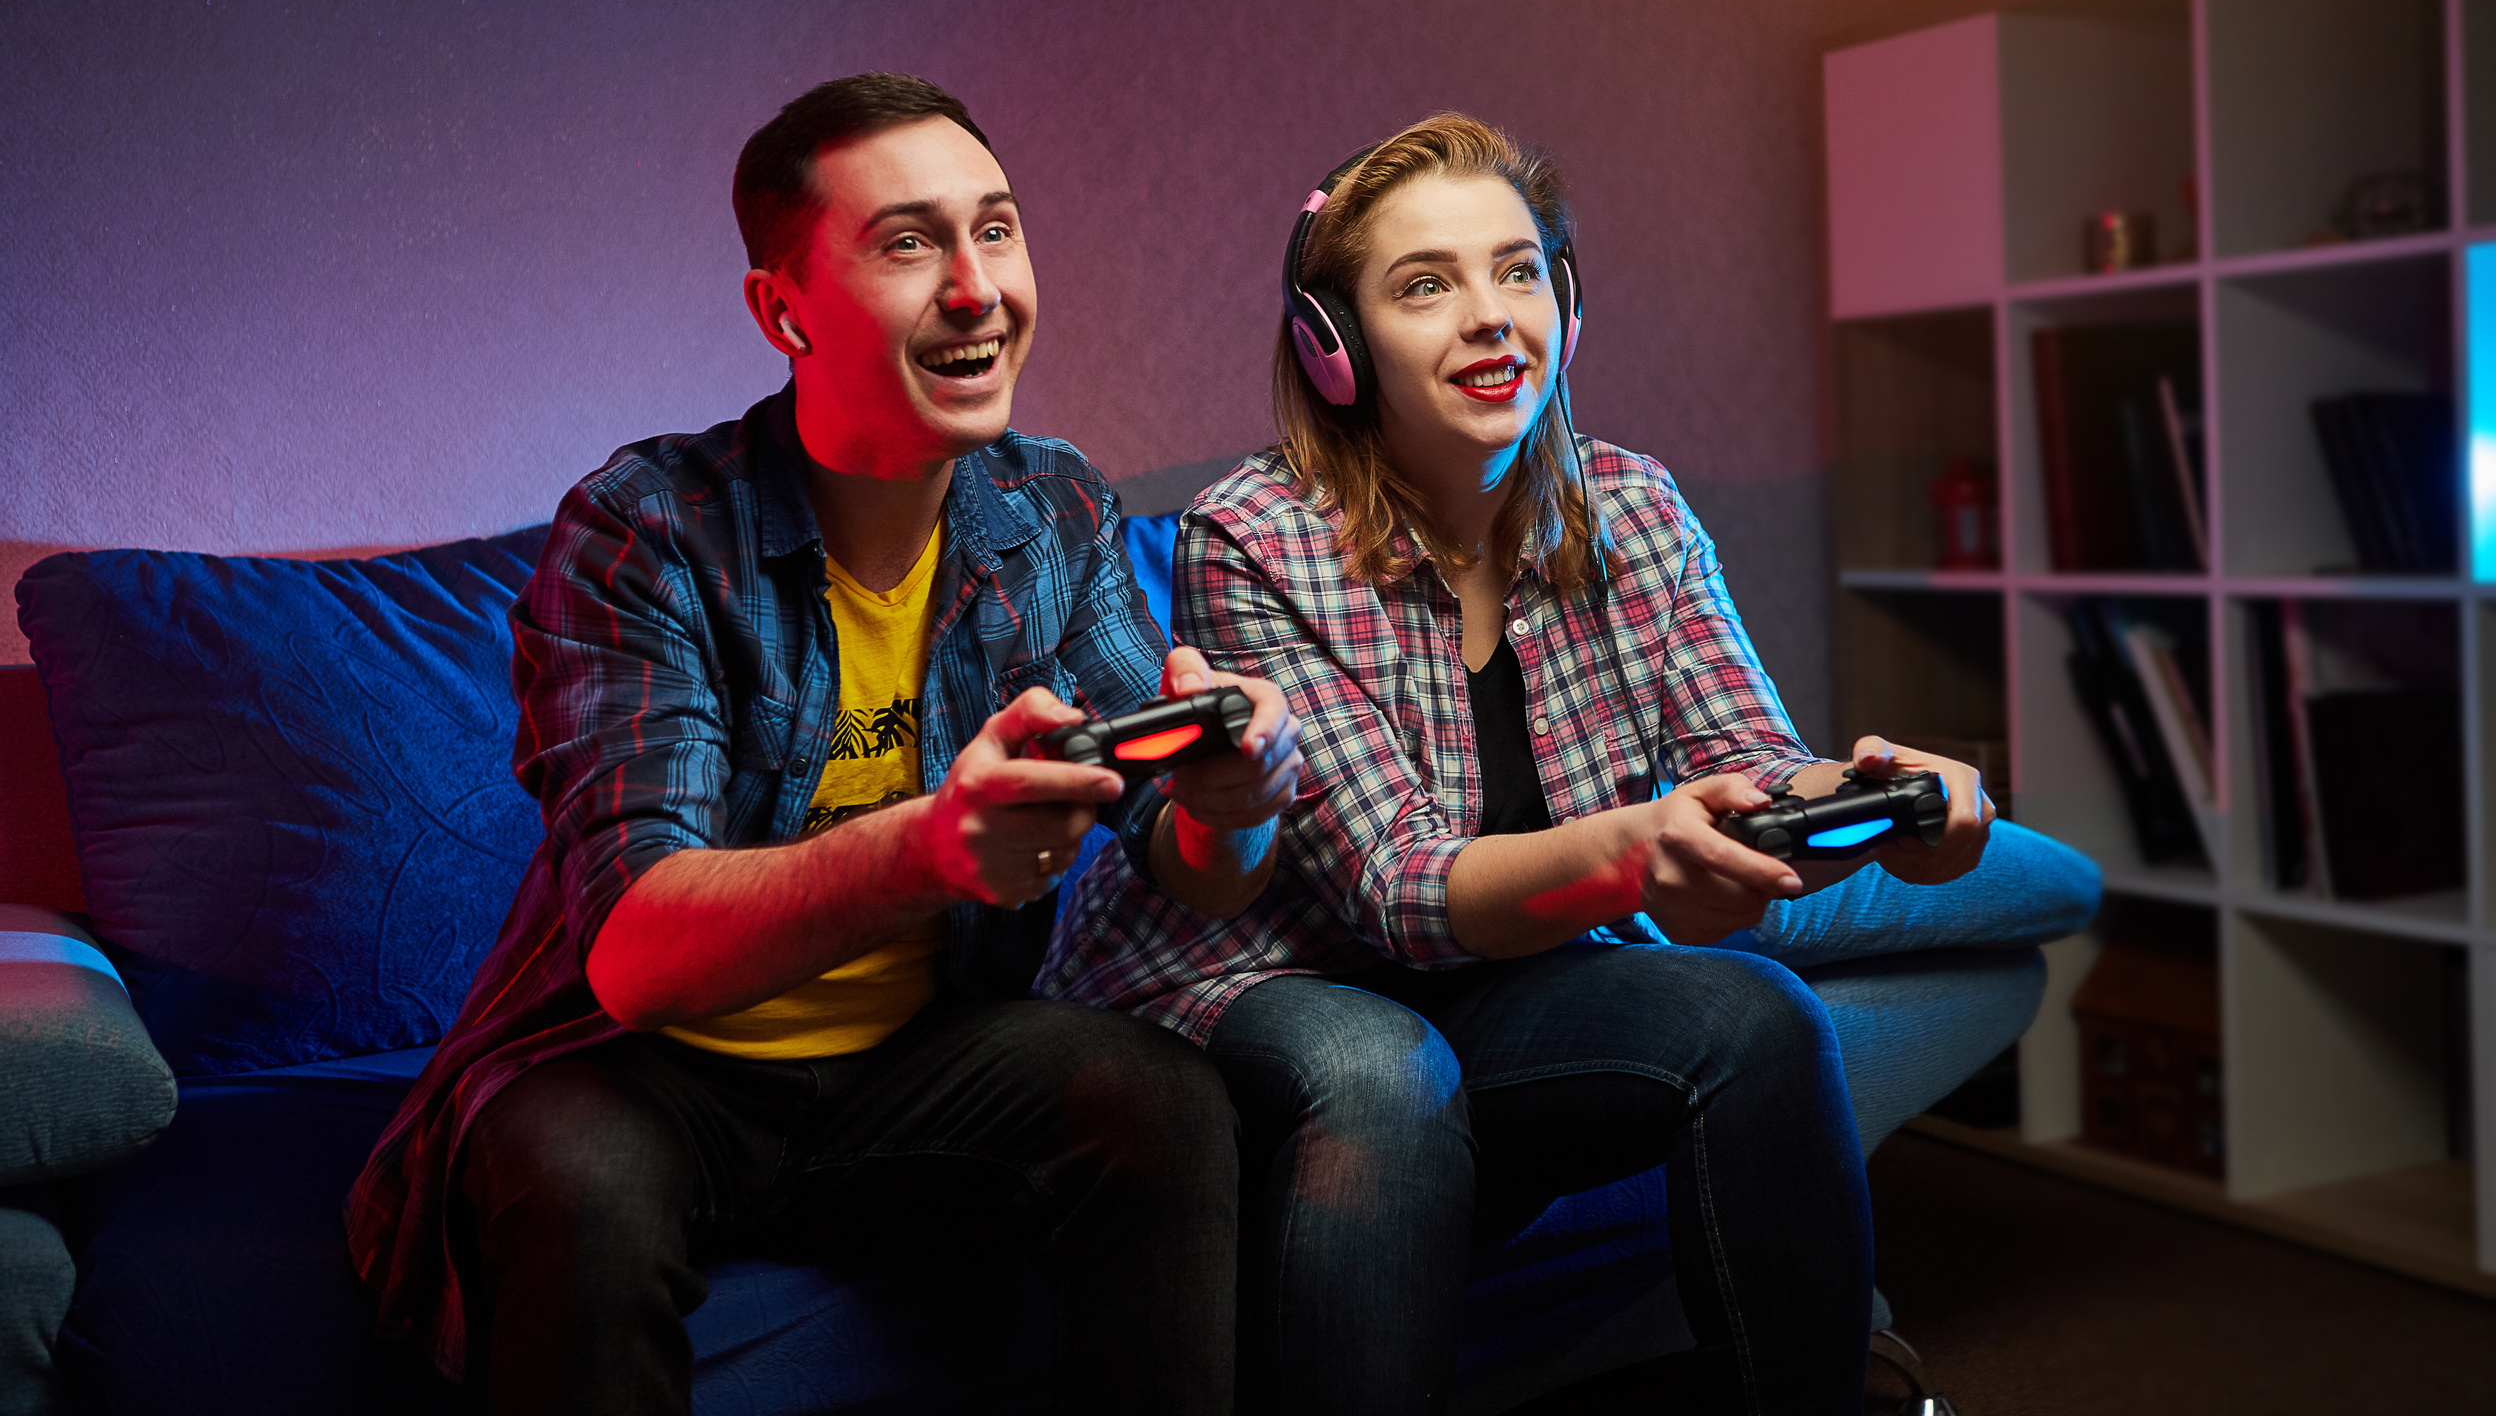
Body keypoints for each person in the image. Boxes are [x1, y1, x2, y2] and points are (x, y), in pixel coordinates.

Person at [1046, 112, 2095, 1416]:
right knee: (1382, 1069)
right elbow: (1399, 890)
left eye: (1519, 270)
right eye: (1427, 284)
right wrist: (1637, 853)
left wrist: (1875, 808)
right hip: (1262, 978)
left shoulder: (1636, 505)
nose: (1491, 315)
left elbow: (1744, 755)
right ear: (1335, 350)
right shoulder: (1252, 535)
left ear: (1569, 304)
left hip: (1507, 974)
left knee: (1757, 1019)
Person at [346, 73, 1304, 1416]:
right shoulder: (648, 528)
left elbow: (1197, 864)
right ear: (782, 309)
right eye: (909, 243)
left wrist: (1237, 793)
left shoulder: (1052, 507)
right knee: (579, 1176)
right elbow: (633, 954)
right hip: (640, 1071)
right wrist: (925, 849)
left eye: (999, 228)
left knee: (1157, 1101)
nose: (977, 287)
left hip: (915, 1061)